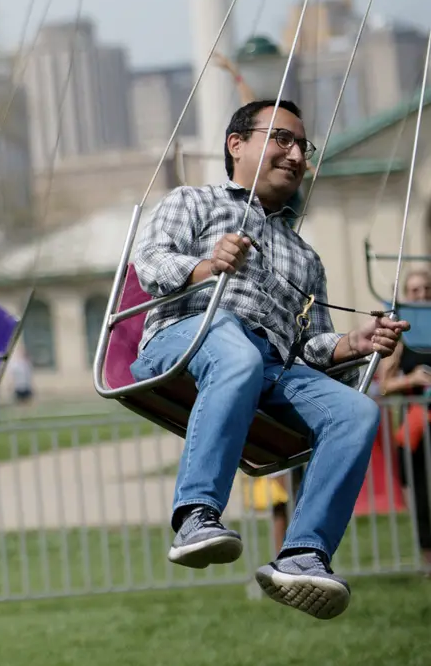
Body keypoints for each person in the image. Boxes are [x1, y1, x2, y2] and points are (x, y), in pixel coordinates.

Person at [131, 98, 407, 619]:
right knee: (235, 346)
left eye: (303, 146)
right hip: (185, 340)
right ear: (237, 144)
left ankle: (304, 553)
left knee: (357, 412)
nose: (296, 153)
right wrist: (207, 265)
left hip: (270, 367)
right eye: (282, 138)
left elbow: (309, 345)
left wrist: (354, 343)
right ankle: (196, 514)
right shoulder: (195, 201)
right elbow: (150, 263)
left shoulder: (305, 256)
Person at [376, 264, 431, 574]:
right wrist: (412, 378)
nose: (421, 295)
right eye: (415, 291)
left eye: (426, 290)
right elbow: (384, 384)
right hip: (416, 428)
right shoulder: (402, 336)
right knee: (421, 495)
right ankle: (428, 560)